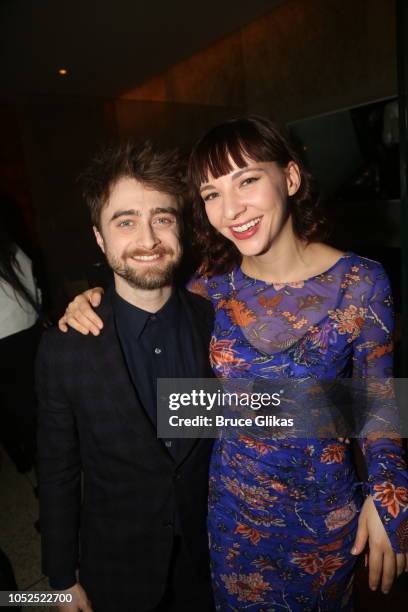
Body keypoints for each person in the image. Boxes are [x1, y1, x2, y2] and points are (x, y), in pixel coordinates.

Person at [59, 117, 408, 611]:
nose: (232, 209)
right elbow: (148, 311)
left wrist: (387, 495)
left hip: (323, 517)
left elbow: (380, 405)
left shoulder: (362, 282)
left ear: (289, 178)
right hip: (229, 517)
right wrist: (91, 303)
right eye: (211, 193)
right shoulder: (208, 284)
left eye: (247, 180)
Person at [36, 142, 215, 612]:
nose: (148, 238)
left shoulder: (216, 322)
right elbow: (57, 471)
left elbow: (277, 409)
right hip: (117, 566)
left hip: (212, 558)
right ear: (100, 237)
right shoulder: (67, 345)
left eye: (162, 217)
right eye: (125, 221)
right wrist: (59, 578)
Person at [0, 223, 41, 472]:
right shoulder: (12, 248)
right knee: (34, 399)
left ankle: (26, 458)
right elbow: (34, 287)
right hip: (29, 331)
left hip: (6, 341)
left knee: (11, 408)